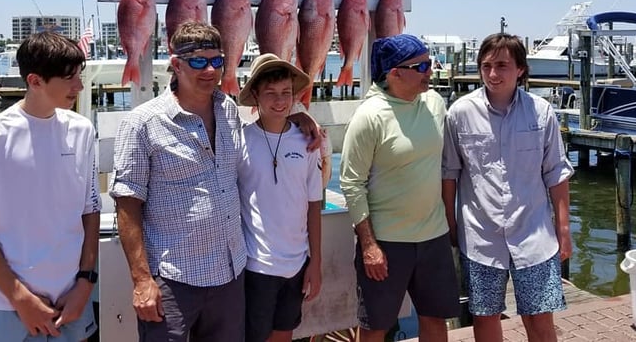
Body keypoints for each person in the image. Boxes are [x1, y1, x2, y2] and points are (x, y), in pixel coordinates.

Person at [110, 22, 319, 342]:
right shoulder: (142, 123)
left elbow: (265, 128)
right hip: (174, 278)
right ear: (175, 64)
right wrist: (141, 280)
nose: (209, 69)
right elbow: (127, 206)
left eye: (217, 61)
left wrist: (296, 118)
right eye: (198, 61)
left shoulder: (229, 111)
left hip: (229, 275)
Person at [0, 31, 100, 342]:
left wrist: (86, 283)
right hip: (7, 305)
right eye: (69, 78)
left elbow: (91, 210)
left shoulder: (82, 130)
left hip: (72, 299)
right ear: (35, 81)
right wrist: (20, 297)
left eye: (80, 75)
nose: (79, 86)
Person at [442, 33, 573, 342]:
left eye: (502, 65)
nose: (492, 74)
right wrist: (450, 222)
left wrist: (564, 230)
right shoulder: (459, 113)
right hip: (479, 236)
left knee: (540, 316)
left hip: (534, 234)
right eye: (486, 66)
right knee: (484, 317)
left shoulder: (542, 113)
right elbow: (448, 174)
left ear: (520, 70)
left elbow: (556, 173)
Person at [340, 33, 460, 342]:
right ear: (395, 73)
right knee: (375, 327)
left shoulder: (434, 102)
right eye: (421, 67)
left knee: (435, 320)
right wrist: (369, 246)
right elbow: (352, 183)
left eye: (429, 64)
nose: (430, 73)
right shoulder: (369, 117)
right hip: (387, 243)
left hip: (434, 238)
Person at [236, 53, 323, 342]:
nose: (279, 100)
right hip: (255, 264)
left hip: (298, 263)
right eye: (270, 94)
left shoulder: (308, 141)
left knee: (284, 334)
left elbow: (313, 204)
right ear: (256, 97)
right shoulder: (240, 141)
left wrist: (316, 262)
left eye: (286, 93)